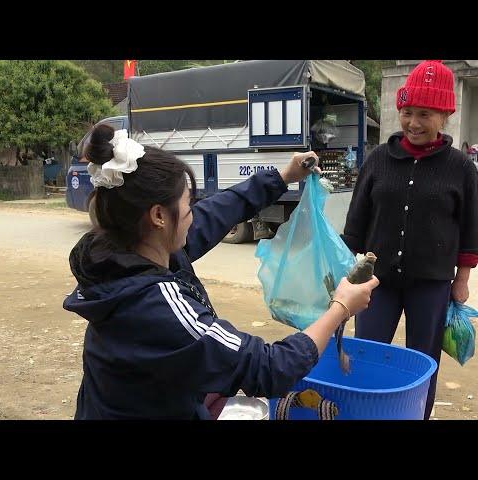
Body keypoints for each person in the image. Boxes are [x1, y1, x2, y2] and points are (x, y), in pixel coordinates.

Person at [63, 124, 378, 420]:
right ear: (159, 216)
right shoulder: (155, 305)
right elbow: (269, 368)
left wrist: (282, 177)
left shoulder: (128, 252)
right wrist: (340, 307)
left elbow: (215, 213)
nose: (193, 212)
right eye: (188, 203)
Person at [341, 60, 478, 420]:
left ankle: (416, 414)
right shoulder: (378, 160)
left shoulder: (460, 167)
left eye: (425, 114)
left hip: (432, 283)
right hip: (377, 281)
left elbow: (469, 229)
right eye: (407, 112)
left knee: (422, 361)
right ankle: (365, 413)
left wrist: (461, 280)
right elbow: (356, 221)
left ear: (445, 115)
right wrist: (342, 268)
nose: (414, 123)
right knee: (365, 353)